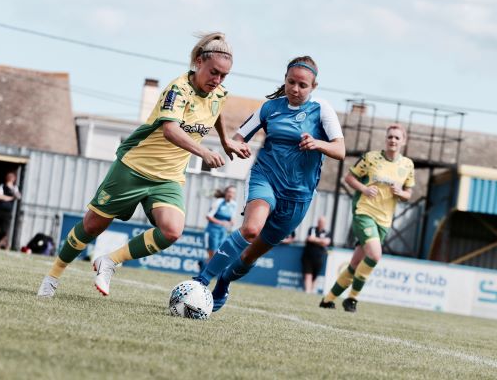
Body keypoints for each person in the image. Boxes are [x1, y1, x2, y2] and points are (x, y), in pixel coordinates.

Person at [37, 32, 251, 297]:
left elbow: (215, 111)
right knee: (92, 226)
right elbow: (170, 130)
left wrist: (226, 141)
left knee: (172, 231)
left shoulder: (218, 93)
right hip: (134, 168)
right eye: (213, 72)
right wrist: (203, 152)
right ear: (198, 62)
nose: (217, 80)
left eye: (223, 76)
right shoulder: (177, 89)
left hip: (168, 178)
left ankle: (110, 261)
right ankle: (53, 276)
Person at [194, 56, 346, 312]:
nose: (295, 89)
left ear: (314, 86)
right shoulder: (269, 108)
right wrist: (237, 146)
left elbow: (340, 150)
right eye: (290, 82)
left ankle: (223, 283)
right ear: (284, 80)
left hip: (298, 195)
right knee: (251, 229)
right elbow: (239, 137)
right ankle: (201, 281)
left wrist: (318, 144)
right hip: (265, 177)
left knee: (250, 255)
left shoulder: (322, 110)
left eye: (302, 85)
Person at [320, 124, 414, 312]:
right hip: (364, 212)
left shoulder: (407, 165)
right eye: (390, 137)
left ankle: (327, 300)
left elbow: (409, 194)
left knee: (355, 264)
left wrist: (400, 192)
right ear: (386, 139)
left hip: (385, 220)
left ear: (403, 141)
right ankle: (352, 299)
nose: (393, 140)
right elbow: (349, 178)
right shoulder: (371, 158)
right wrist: (364, 188)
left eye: (397, 138)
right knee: (375, 255)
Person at [201, 185, 237, 269]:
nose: (231, 194)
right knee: (212, 255)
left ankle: (203, 266)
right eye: (229, 192)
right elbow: (208, 216)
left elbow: (232, 218)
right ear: (225, 193)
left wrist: (231, 222)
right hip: (212, 231)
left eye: (233, 193)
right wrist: (221, 222)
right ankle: (202, 274)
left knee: (219, 255)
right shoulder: (219, 201)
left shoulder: (233, 204)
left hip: (223, 232)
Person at [301, 215, 331, 293]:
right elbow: (309, 238)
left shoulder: (327, 232)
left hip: (319, 258)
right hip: (308, 256)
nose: (321, 223)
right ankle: (307, 291)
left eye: (323, 222)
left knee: (314, 276)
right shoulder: (312, 229)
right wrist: (321, 241)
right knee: (308, 275)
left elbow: (326, 242)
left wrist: (315, 240)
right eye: (320, 222)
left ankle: (311, 291)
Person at [0, 171, 21, 249]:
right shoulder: (2, 186)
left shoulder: (15, 187)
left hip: (7, 212)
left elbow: (18, 196)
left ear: (14, 179)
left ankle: (1, 243)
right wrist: (10, 198)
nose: (11, 178)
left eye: (12, 177)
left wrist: (14, 193)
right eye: (9, 176)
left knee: (5, 229)